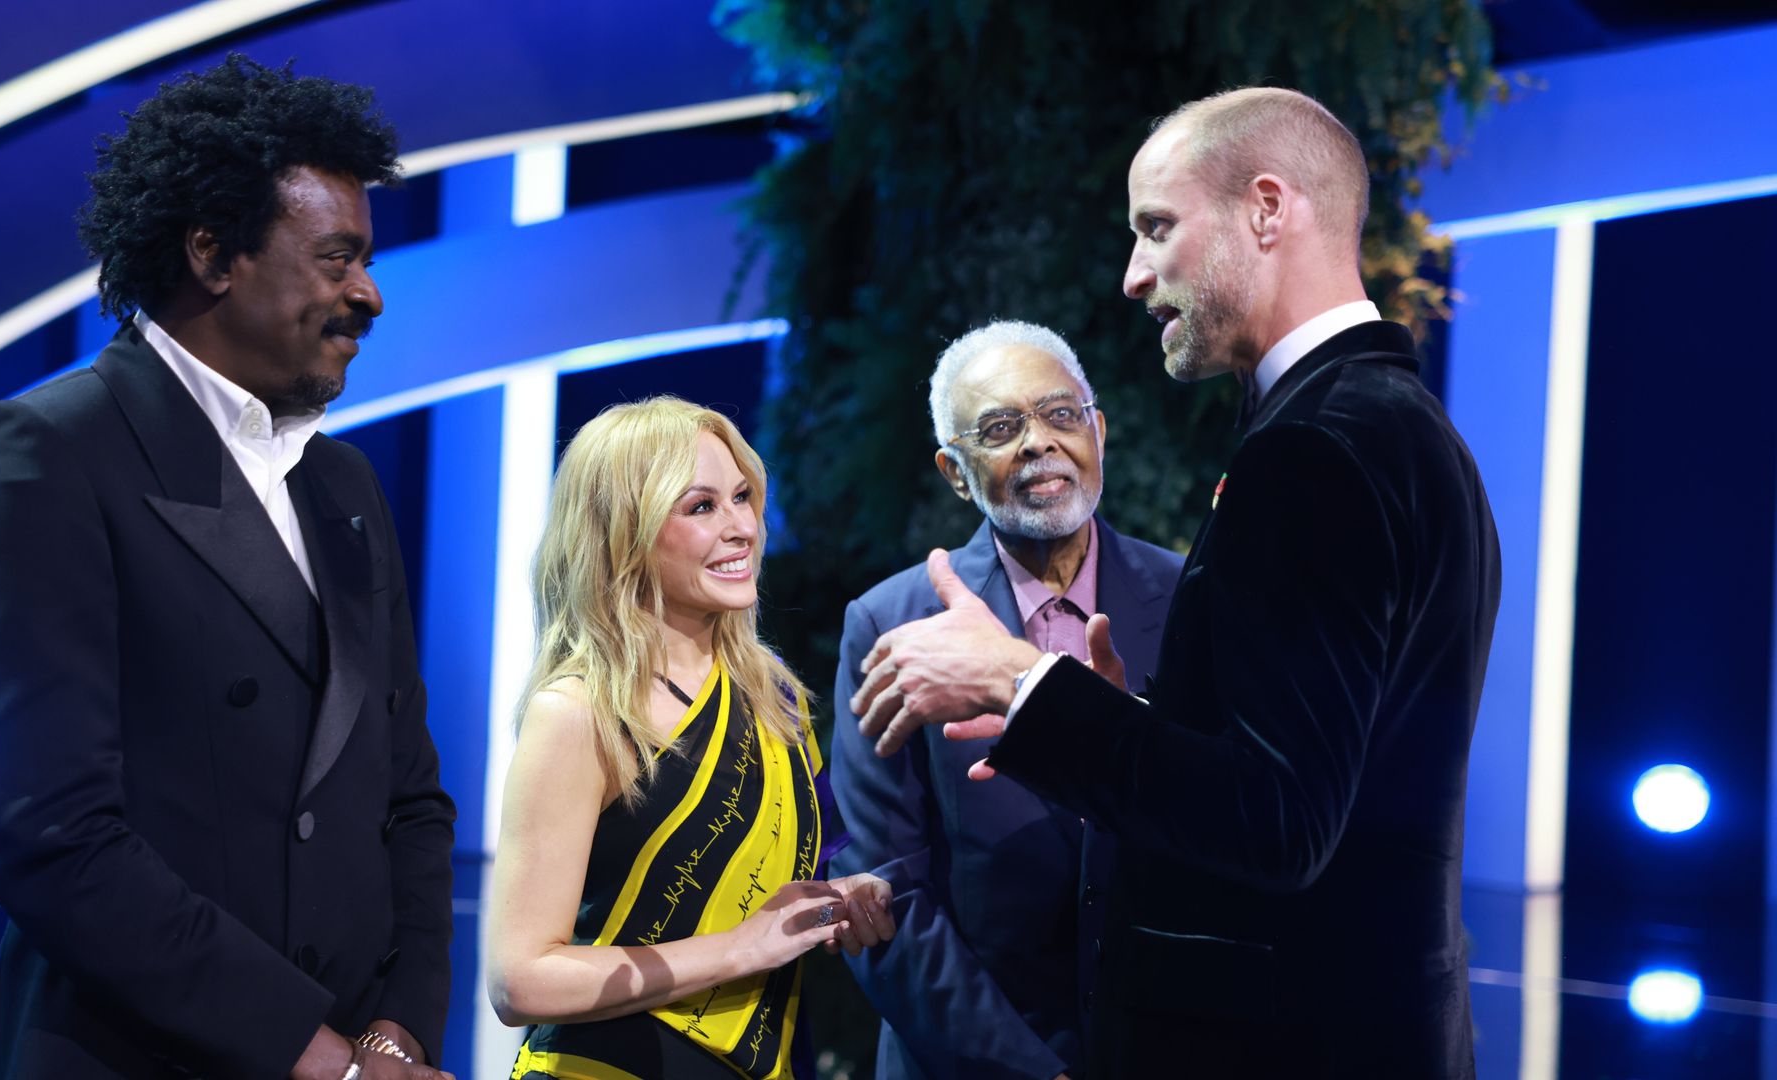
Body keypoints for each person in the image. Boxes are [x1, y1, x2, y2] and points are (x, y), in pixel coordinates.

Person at [851, 87, 1502, 1078]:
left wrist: (1019, 682)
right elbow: (1321, 776)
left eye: (1156, 227)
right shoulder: (1398, 426)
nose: (1133, 274)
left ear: (1268, 209)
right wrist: (1133, 723)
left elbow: (1278, 824)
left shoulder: (1311, 451)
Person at [0, 56, 455, 1079]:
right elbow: (53, 838)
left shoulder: (345, 485)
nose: (370, 294)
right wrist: (320, 1057)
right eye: (337, 259)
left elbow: (410, 802)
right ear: (213, 253)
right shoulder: (47, 453)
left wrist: (394, 1036)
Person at [488, 397, 896, 1079]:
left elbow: (772, 878)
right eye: (701, 507)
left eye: (742, 497)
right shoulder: (579, 711)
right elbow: (520, 979)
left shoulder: (778, 700)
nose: (742, 528)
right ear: (624, 533)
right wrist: (740, 948)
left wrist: (840, 897)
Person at [829, 320, 1180, 1079]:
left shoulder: (1189, 599)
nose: (1038, 442)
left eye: (1061, 415)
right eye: (999, 428)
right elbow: (882, 893)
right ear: (956, 473)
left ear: (1098, 433)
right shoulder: (891, 625)